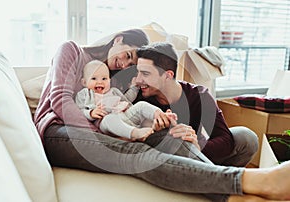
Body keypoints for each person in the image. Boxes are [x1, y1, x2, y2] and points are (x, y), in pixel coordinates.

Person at [34, 29, 290, 202]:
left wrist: (187, 139)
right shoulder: (73, 51)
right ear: (118, 39)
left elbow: (123, 110)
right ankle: (246, 183)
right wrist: (109, 133)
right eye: (127, 56)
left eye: (132, 65)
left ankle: (230, 191)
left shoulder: (120, 83)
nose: (125, 65)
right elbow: (60, 100)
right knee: (140, 154)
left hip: (109, 132)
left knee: (185, 140)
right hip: (60, 129)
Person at [133, 42, 259, 167]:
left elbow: (225, 138)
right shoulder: (138, 97)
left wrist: (197, 146)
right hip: (164, 160)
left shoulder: (199, 95)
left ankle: (222, 177)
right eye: (138, 72)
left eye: (145, 74)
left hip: (198, 152)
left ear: (168, 75)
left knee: (246, 137)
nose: (138, 80)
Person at [75, 59, 177, 141]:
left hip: (126, 115)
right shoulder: (85, 94)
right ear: (84, 82)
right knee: (109, 119)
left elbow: (127, 99)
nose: (100, 82)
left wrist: (134, 87)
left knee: (141, 105)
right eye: (94, 79)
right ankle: (134, 133)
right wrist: (91, 113)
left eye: (104, 79)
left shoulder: (113, 91)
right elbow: (80, 111)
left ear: (109, 81)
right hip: (105, 122)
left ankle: (161, 116)